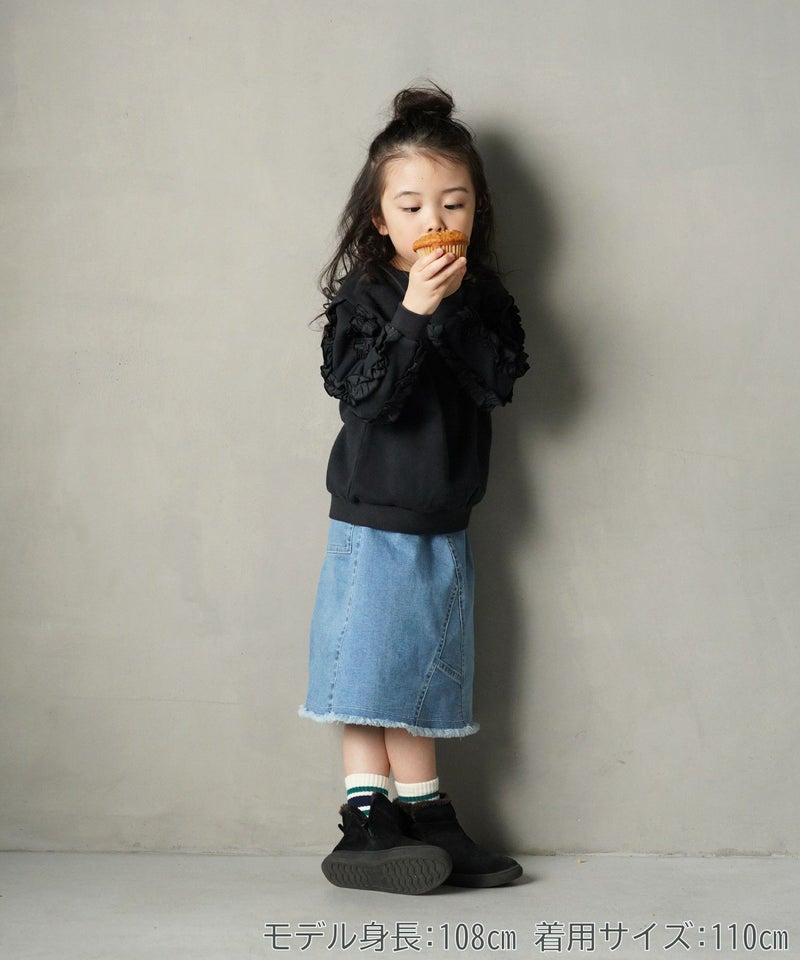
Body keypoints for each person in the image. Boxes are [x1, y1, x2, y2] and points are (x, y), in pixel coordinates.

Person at [299, 83, 530, 895]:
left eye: (454, 203)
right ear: (379, 219)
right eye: (412, 205)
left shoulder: (486, 298)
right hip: (376, 513)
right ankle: (379, 819)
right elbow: (365, 399)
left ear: (475, 211)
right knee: (373, 670)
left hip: (445, 512)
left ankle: (409, 819)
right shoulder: (363, 298)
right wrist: (413, 311)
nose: (435, 218)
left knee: (415, 671)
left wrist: (450, 306)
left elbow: (497, 383)